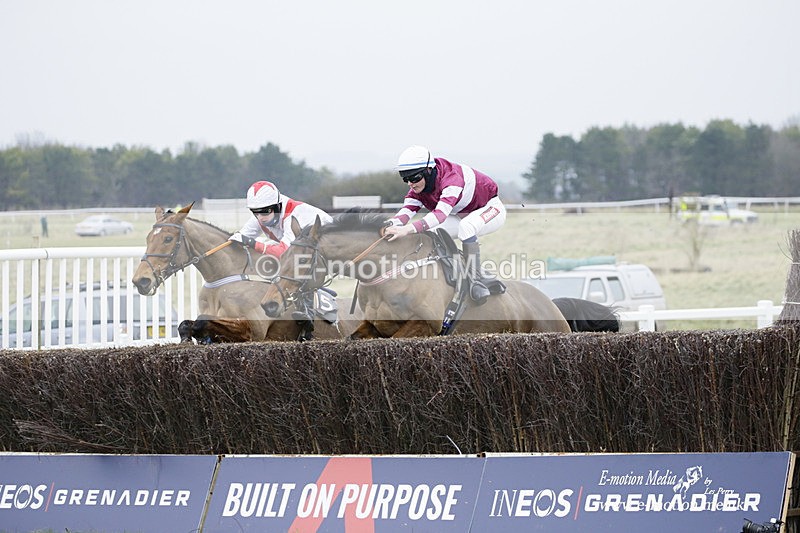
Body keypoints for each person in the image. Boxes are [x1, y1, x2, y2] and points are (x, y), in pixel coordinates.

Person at [383, 145, 507, 304]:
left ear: (429, 170)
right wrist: (388, 225)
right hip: (460, 215)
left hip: (490, 209)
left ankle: (477, 279)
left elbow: (440, 215)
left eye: (414, 178)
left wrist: (407, 230)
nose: (410, 184)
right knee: (433, 231)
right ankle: (453, 271)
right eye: (405, 179)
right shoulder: (418, 188)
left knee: (466, 227)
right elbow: (406, 211)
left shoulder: (451, 179)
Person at [229, 180, 333, 325]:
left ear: (277, 206)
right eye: (255, 212)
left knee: (293, 265)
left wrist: (252, 243)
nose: (260, 217)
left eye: (265, 212)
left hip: (329, 247)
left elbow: (282, 252)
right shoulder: (262, 214)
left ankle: (310, 309)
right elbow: (239, 238)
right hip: (304, 248)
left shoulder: (295, 215)